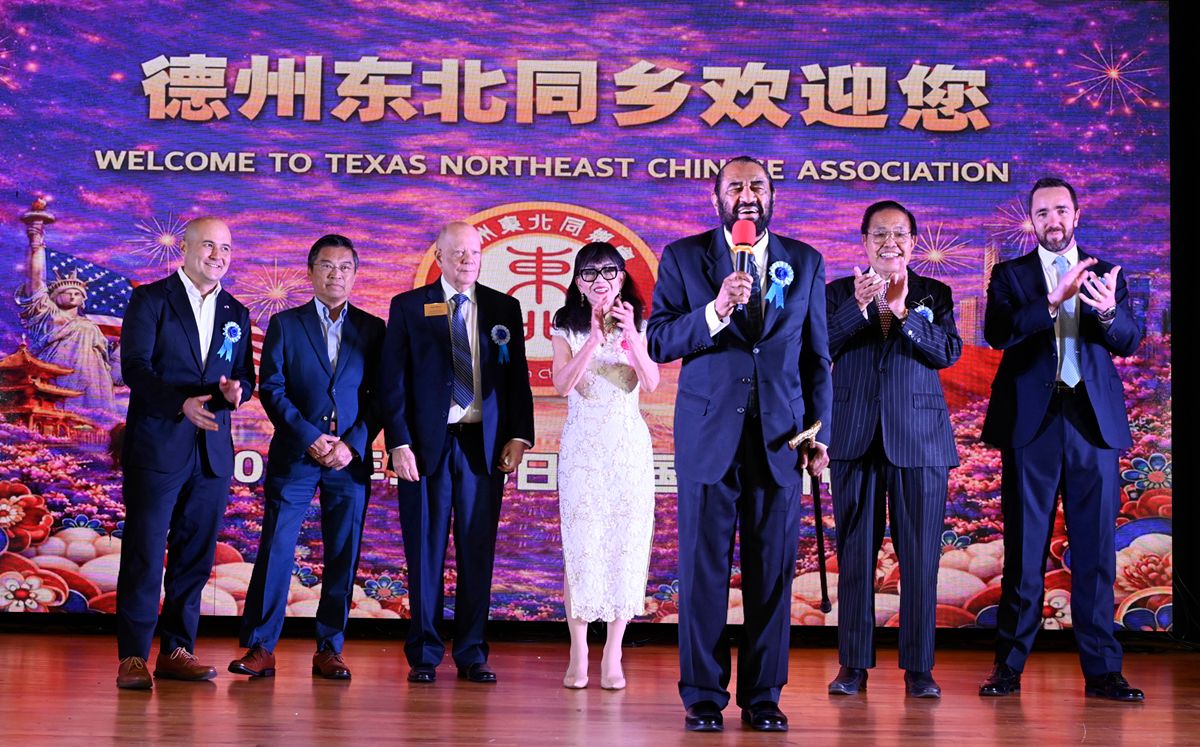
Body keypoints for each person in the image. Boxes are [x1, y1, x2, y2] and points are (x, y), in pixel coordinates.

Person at [647, 156, 832, 732]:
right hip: (708, 438)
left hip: (781, 440)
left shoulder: (805, 260)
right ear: (717, 198)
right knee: (703, 571)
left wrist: (818, 432)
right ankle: (703, 695)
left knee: (771, 573)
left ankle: (763, 696)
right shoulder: (684, 257)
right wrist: (716, 309)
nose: (747, 195)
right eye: (735, 187)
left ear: (773, 196)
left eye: (758, 186)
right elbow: (659, 340)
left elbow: (816, 358)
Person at [979, 177, 1145, 701]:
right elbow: (998, 333)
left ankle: (1103, 671)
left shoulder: (1106, 273)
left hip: (1093, 424)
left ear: (1076, 215)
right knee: (1024, 549)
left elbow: (1129, 342)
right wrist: (1053, 299)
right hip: (1032, 424)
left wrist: (1107, 311)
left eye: (1061, 210)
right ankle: (1008, 666)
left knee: (1095, 552)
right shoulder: (1010, 275)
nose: (1053, 220)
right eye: (1043, 212)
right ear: (1032, 220)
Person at [379, 221, 535, 684]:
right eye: (458, 253)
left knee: (476, 549)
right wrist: (398, 442)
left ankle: (471, 652)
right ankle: (424, 653)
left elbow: (516, 379)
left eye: (474, 252)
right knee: (424, 549)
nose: (467, 260)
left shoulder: (503, 307)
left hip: (482, 447)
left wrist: (519, 436)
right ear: (440, 257)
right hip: (426, 447)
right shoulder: (409, 306)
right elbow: (392, 381)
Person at [230, 235, 385, 681]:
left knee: (343, 552)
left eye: (344, 267)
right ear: (311, 271)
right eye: (327, 266)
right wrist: (310, 437)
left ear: (355, 274)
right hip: (296, 455)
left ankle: (330, 648)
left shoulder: (374, 329)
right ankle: (261, 647)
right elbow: (272, 387)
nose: (336, 274)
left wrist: (351, 444)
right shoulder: (285, 324)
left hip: (348, 460)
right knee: (277, 547)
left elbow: (381, 395)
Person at [824, 201, 962, 699]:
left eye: (899, 234)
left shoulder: (934, 293)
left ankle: (919, 668)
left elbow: (947, 352)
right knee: (855, 556)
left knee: (920, 558)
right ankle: (853, 665)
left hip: (920, 441)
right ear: (864, 242)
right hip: (854, 437)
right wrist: (859, 309)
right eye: (879, 234)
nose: (890, 243)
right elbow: (818, 349)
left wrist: (903, 313)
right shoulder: (837, 293)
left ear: (913, 242)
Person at [115, 217, 255, 689]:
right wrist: (180, 403)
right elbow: (135, 368)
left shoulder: (237, 310)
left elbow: (244, 375)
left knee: (195, 556)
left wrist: (236, 392)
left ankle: (177, 650)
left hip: (212, 451)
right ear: (186, 248)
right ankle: (133, 657)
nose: (219, 256)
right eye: (209, 245)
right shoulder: (151, 299)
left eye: (226, 248)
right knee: (144, 552)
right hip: (158, 446)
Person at [550, 242, 660, 691]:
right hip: (583, 451)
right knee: (582, 547)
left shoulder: (640, 321)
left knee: (625, 545)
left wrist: (629, 335)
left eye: (609, 271)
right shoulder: (565, 325)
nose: (600, 281)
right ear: (578, 282)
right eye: (590, 273)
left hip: (628, 449)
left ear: (622, 278)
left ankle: (613, 652)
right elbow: (561, 385)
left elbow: (650, 382)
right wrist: (593, 340)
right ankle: (578, 653)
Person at [16, 203, 121, 422]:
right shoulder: (48, 315)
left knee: (96, 424)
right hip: (59, 374)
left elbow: (112, 370)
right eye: (67, 292)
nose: (73, 296)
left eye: (77, 293)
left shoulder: (91, 327)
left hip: (95, 383)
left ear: (83, 300)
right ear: (53, 297)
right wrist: (36, 243)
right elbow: (36, 281)